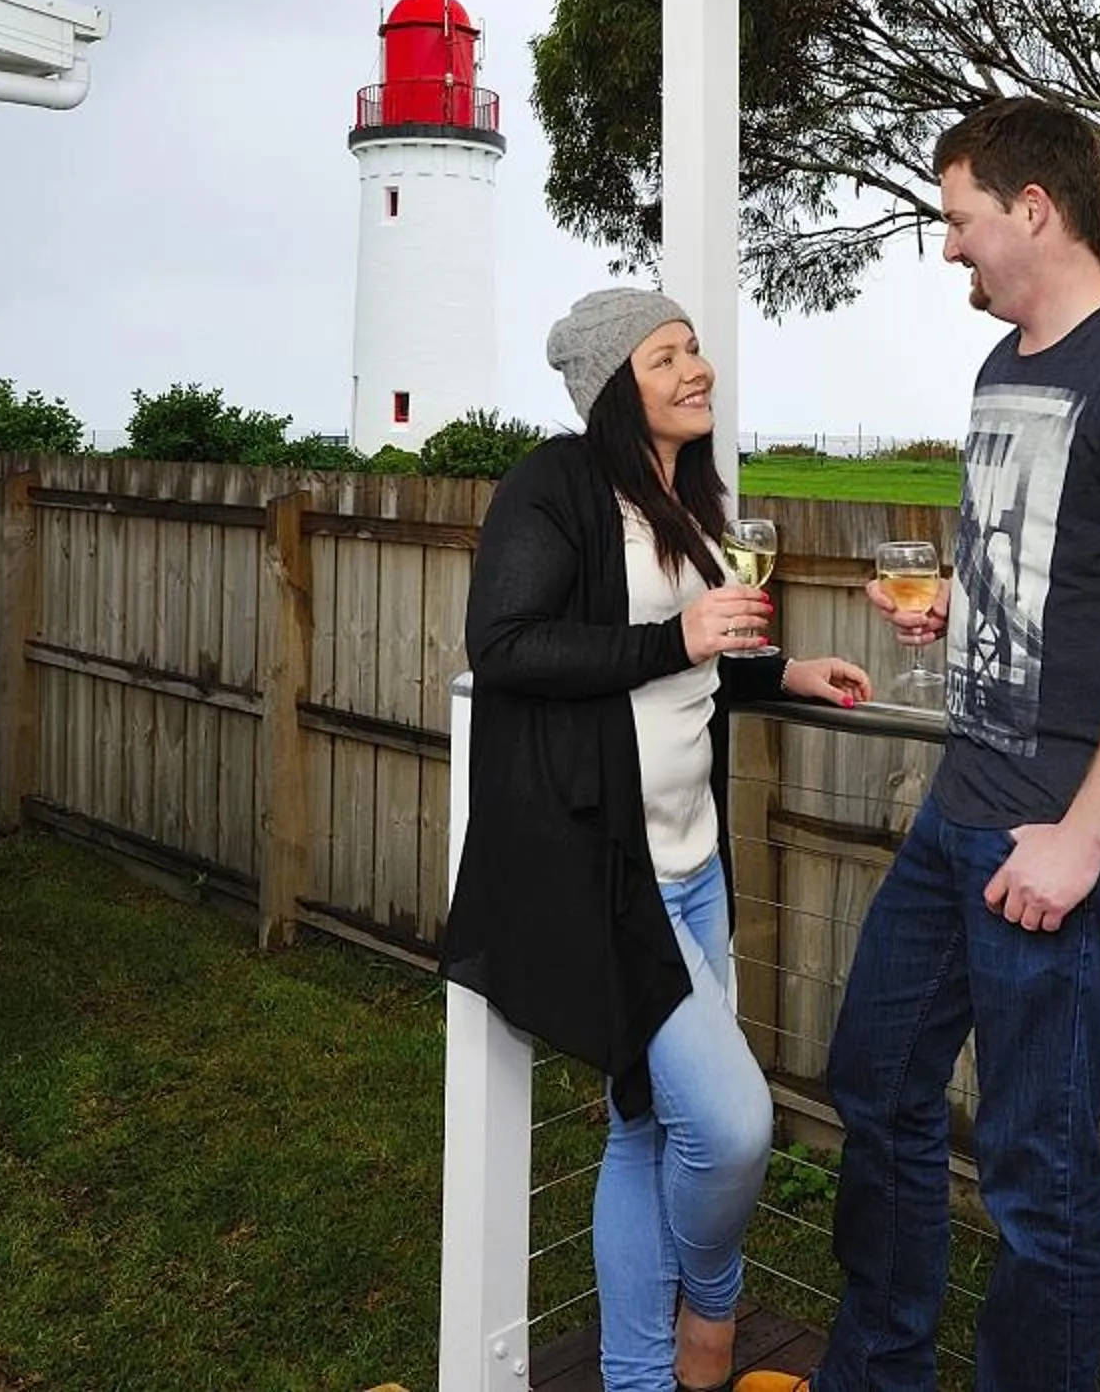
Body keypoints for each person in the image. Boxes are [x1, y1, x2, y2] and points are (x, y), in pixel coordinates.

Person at [739, 99, 1100, 1392]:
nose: (947, 248)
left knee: (1037, 1170)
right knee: (878, 1083)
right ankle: (880, 1368)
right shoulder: (1008, 364)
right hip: (963, 806)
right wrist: (963, 605)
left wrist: (1083, 838)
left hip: (1062, 837)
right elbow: (1053, 571)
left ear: (1034, 208)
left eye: (957, 219)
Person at [443, 287, 875, 1392]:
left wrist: (780, 670)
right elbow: (507, 645)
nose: (698, 368)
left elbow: (695, 654)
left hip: (694, 864)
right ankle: (713, 1311)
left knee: (646, 1127)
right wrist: (673, 635)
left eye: (695, 347)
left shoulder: (685, 494)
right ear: (612, 386)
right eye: (667, 354)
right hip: (608, 868)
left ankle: (640, 1379)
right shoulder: (556, 484)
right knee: (731, 1129)